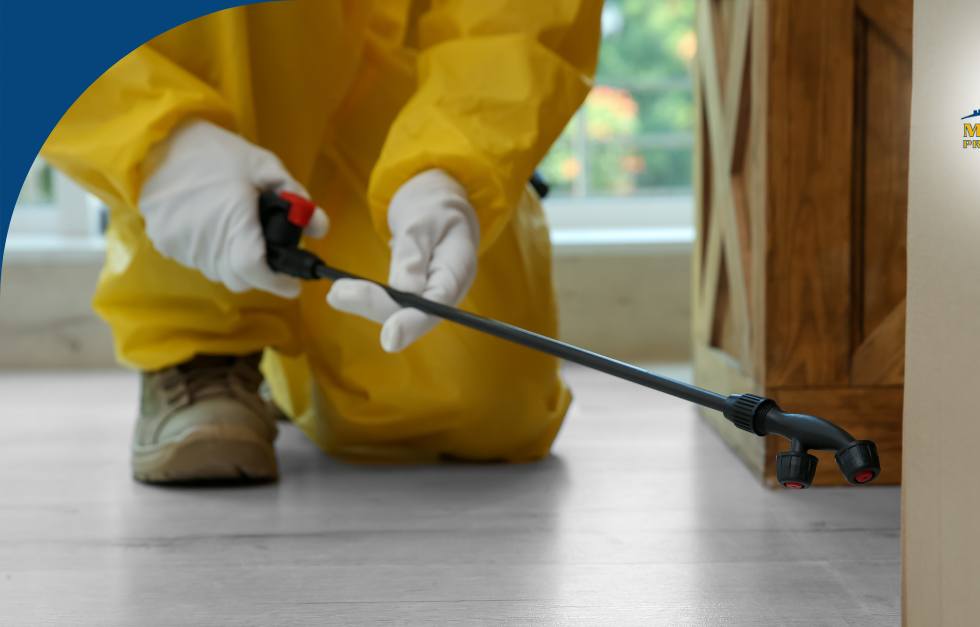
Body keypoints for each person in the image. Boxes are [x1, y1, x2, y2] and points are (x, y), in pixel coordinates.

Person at [41, 0, 602, 483]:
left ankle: (290, 350)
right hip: (200, 77)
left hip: (394, 75)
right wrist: (157, 141)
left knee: (476, 401)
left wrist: (452, 162)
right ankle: (203, 341)